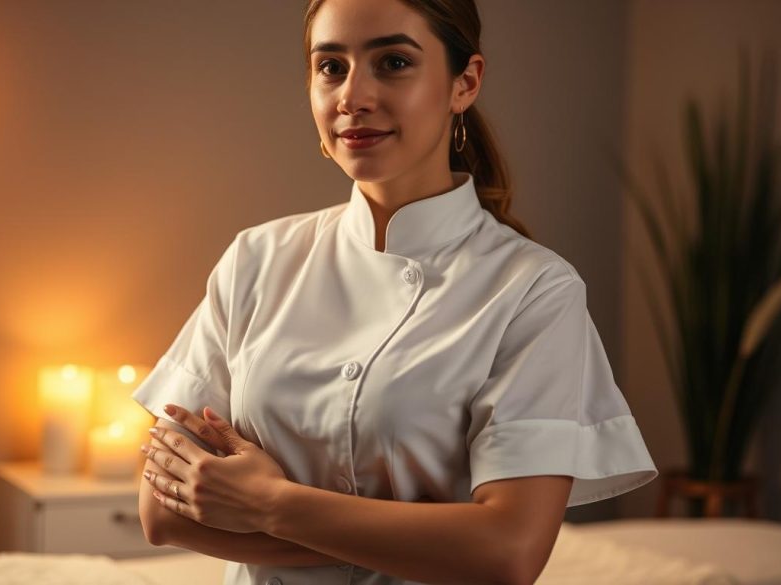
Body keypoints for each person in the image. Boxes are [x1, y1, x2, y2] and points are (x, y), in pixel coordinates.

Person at [130, 0, 658, 583]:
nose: (352, 96)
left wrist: (268, 504)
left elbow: (508, 553)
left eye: (394, 62)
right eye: (331, 66)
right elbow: (163, 514)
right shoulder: (256, 259)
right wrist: (427, 538)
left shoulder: (534, 290)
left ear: (466, 82)